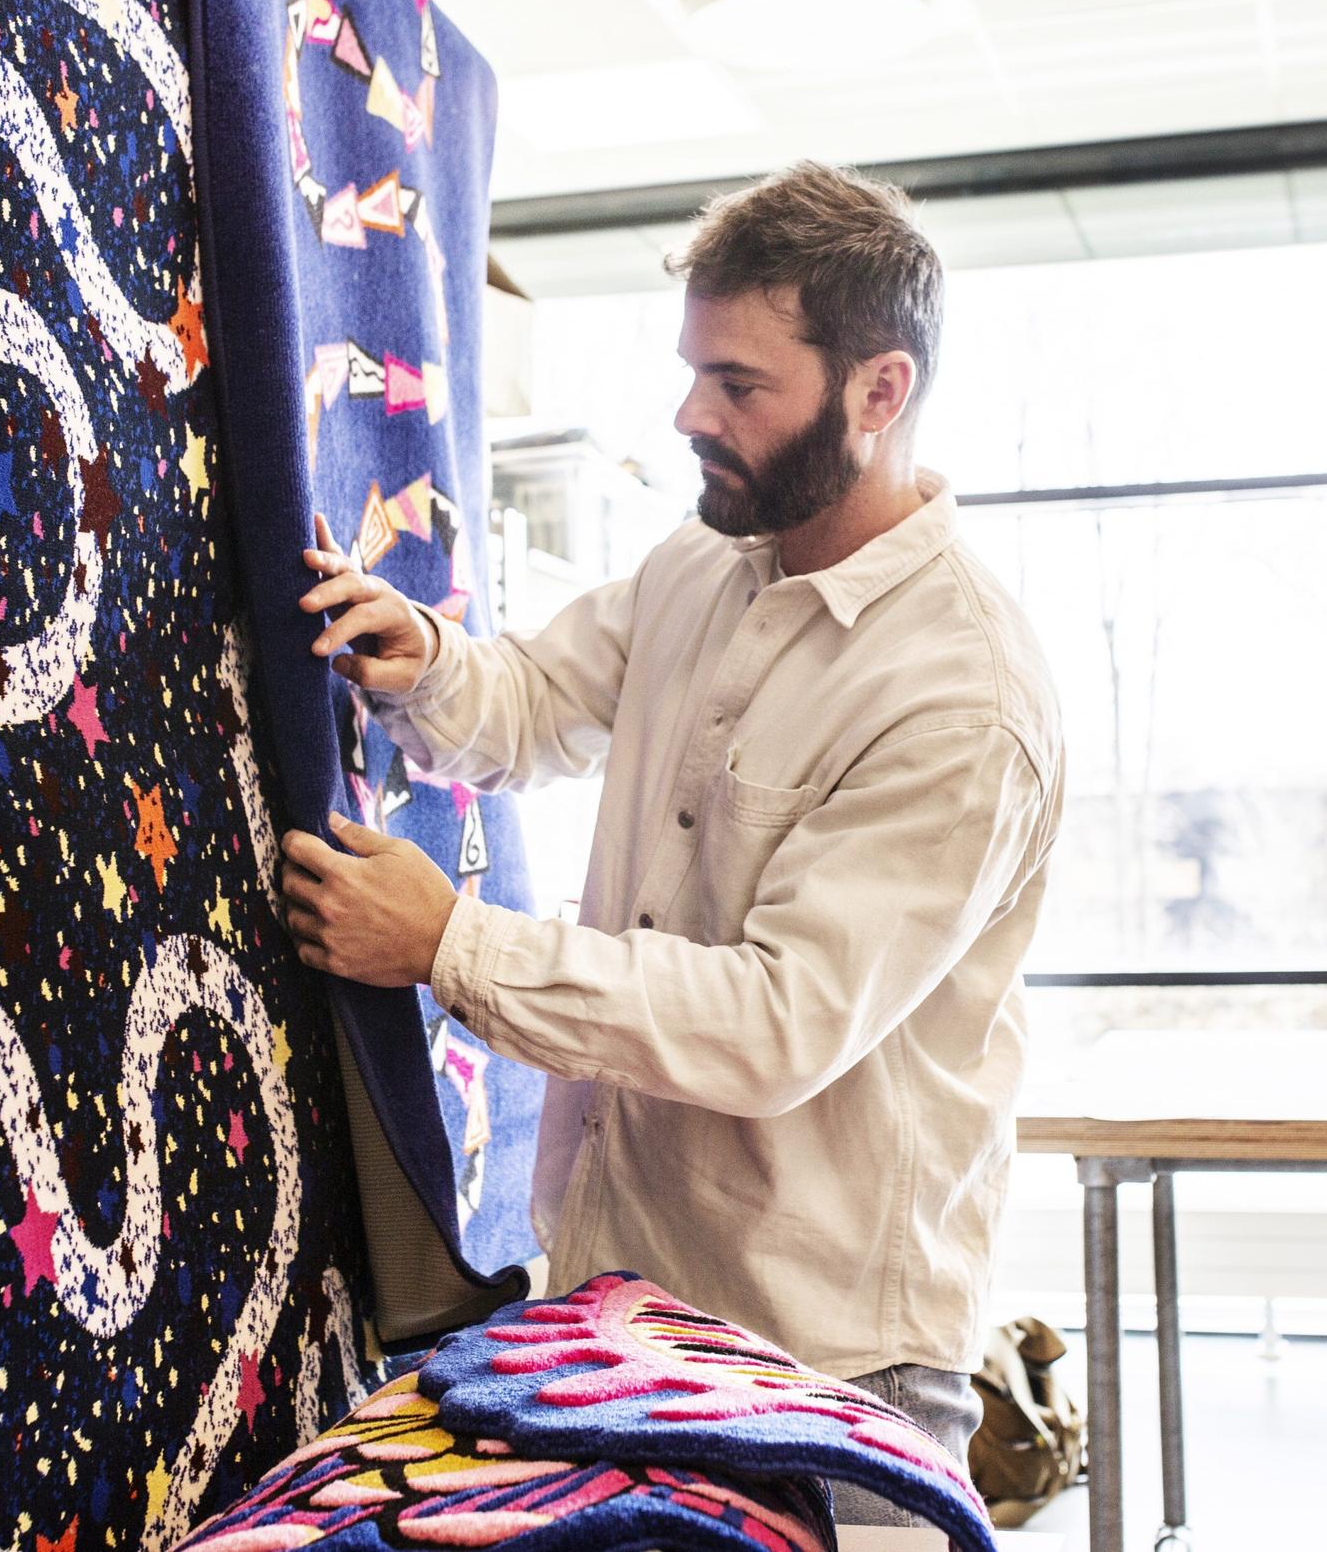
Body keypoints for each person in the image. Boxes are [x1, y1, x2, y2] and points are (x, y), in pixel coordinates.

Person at [280, 161, 1064, 1527]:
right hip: (619, 1309)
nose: (690, 412)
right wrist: (422, 665)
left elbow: (773, 1023)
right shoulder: (704, 564)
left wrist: (453, 946)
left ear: (879, 394)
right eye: (694, 369)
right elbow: (531, 701)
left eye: (739, 385)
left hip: (824, 1363)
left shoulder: (964, 698)